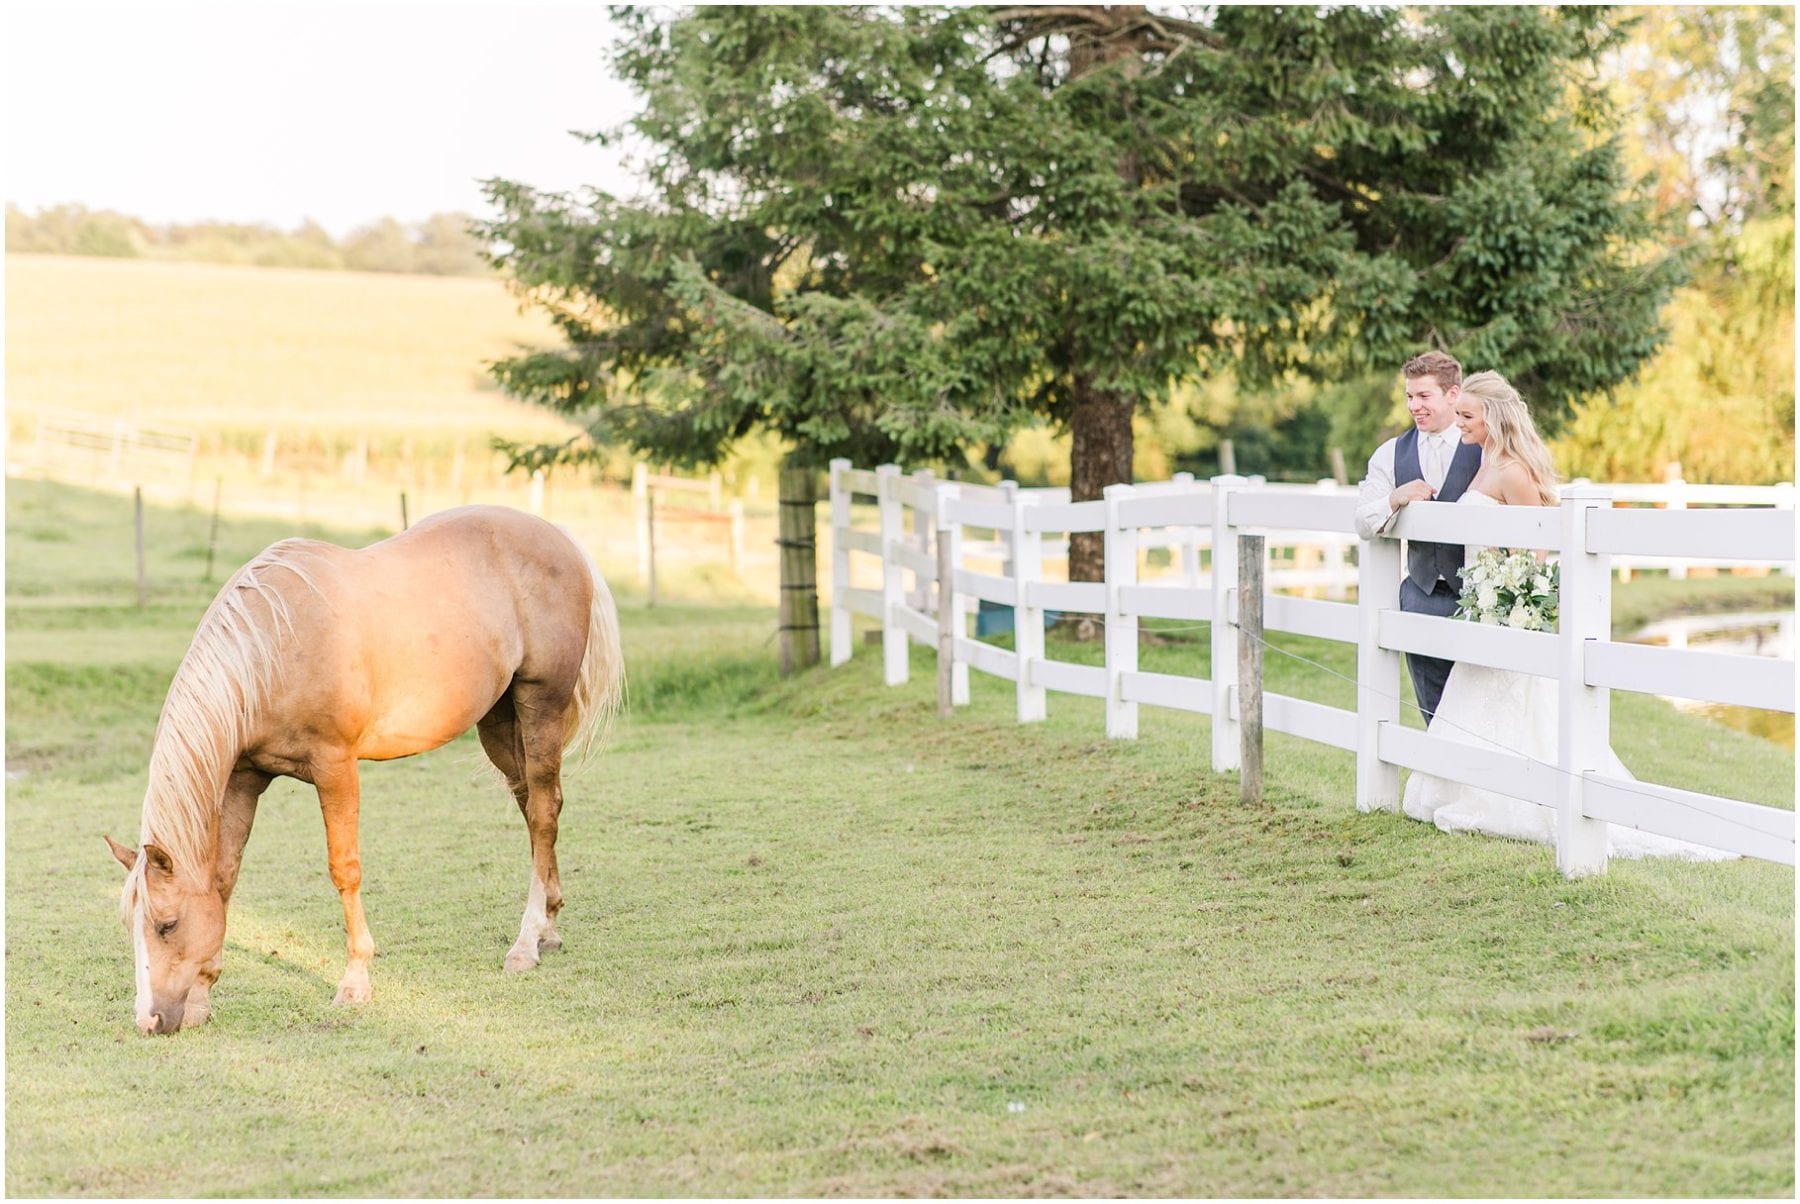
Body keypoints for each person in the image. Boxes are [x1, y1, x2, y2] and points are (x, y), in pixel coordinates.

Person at [1399, 371, 1734, 860]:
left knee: (1516, 704)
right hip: (1479, 606)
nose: (1461, 423)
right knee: (1471, 696)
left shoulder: (1513, 470)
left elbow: (1536, 552)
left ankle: (1513, 800)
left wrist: (1508, 596)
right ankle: (1465, 788)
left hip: (1500, 607)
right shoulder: (1483, 458)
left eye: (1468, 415)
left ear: (1492, 417)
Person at [1354, 351, 1483, 722]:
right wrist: (1395, 498)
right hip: (1422, 595)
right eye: (1409, 396)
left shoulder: (1483, 446)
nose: (1414, 406)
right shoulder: (1391, 453)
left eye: (1424, 396)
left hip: (1478, 598)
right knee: (1433, 710)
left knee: (1481, 706)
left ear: (1453, 394)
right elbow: (1363, 521)